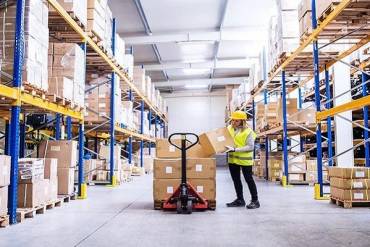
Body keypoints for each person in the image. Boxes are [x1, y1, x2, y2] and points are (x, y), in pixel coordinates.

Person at [225, 110, 259, 209]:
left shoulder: (248, 132)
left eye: (236, 121)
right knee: (236, 180)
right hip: (233, 160)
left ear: (242, 121)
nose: (233, 123)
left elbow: (251, 147)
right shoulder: (229, 128)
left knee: (249, 180)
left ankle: (255, 201)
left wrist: (235, 149)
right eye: (233, 120)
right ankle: (240, 200)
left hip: (245, 160)